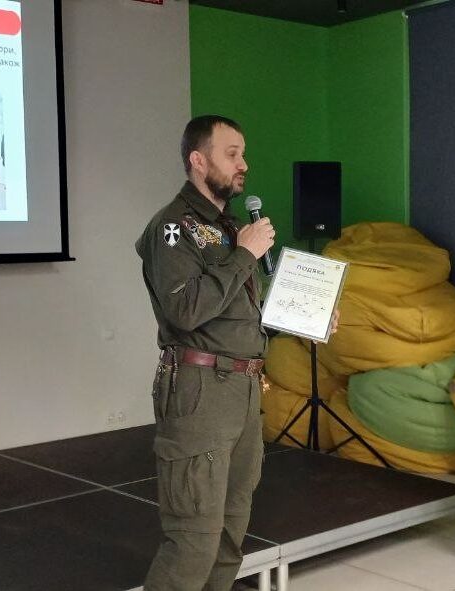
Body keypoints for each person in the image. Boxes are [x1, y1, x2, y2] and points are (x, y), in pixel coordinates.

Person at [135, 115, 273, 591]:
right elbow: (185, 310)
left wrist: (308, 320)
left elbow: (241, 315)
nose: (243, 164)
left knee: (231, 533)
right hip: (201, 392)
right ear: (198, 160)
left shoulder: (230, 228)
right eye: (232, 154)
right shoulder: (172, 228)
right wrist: (245, 256)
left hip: (244, 389)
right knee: (194, 538)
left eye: (243, 154)